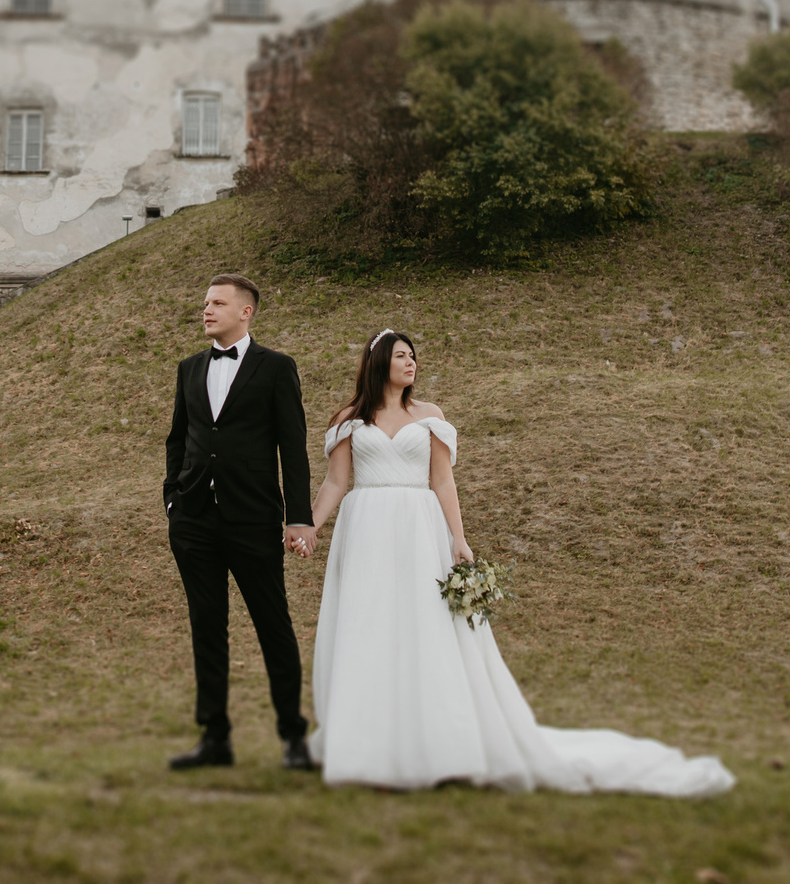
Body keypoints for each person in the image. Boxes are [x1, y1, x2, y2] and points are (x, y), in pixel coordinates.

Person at [303, 328, 735, 795]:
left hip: (418, 528)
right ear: (378, 361)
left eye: (413, 356)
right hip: (366, 528)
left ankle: (442, 745)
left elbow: (444, 483)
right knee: (368, 626)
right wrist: (310, 527)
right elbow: (335, 482)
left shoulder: (429, 416)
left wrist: (459, 540)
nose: (411, 363)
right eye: (401, 356)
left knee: (424, 628)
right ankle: (368, 744)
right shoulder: (351, 419)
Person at [161, 271, 318, 770]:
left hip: (253, 520)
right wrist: (172, 499)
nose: (206, 310)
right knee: (206, 628)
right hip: (193, 521)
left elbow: (292, 447)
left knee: (274, 626)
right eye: (205, 302)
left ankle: (294, 738)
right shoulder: (189, 368)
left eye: (218, 303)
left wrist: (299, 517)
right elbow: (178, 439)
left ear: (245, 311)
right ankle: (215, 739)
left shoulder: (276, 368)